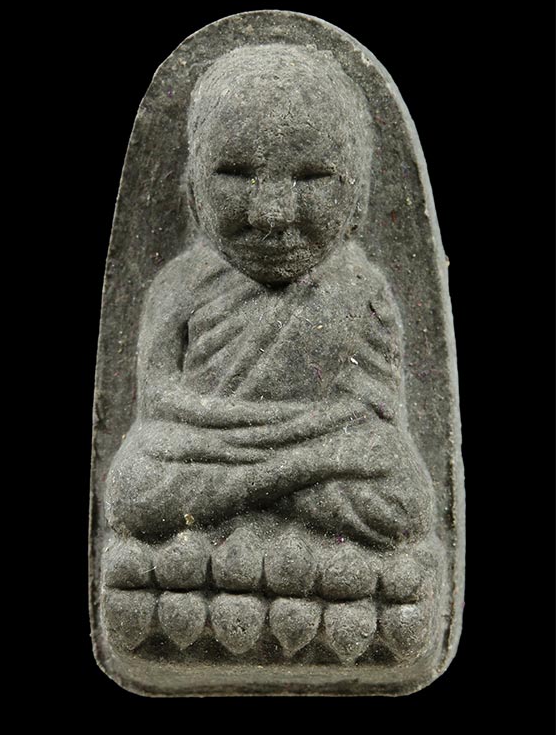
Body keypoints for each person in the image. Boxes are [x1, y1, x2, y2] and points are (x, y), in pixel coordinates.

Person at [105, 44, 433, 584]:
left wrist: (293, 443)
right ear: (192, 189)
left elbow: (376, 412)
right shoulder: (178, 285)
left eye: (312, 179)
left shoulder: (359, 289)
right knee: (135, 486)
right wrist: (255, 440)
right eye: (235, 175)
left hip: (315, 451)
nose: (272, 214)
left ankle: (237, 516)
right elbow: (158, 400)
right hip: (213, 448)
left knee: (401, 495)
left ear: (358, 195)